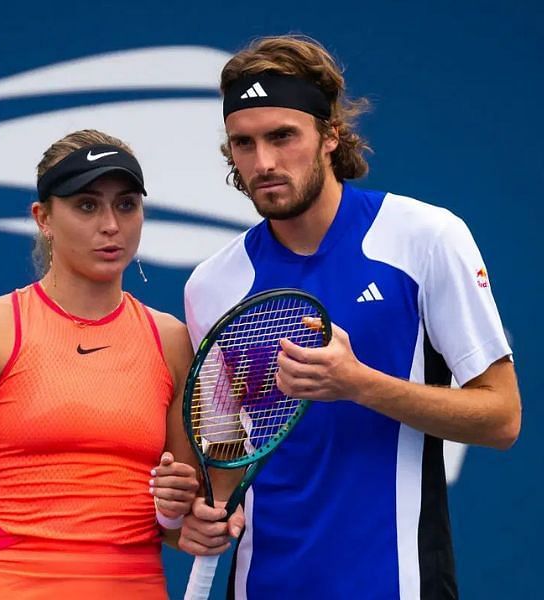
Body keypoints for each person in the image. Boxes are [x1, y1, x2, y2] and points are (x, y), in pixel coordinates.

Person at [180, 35, 521, 599]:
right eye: (244, 143)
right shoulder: (212, 286)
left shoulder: (426, 238)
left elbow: (501, 417)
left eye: (282, 136)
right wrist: (198, 513)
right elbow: (226, 468)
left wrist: (357, 384)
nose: (263, 162)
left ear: (330, 134)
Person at [0, 129, 201, 599]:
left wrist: (178, 508)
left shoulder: (172, 341)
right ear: (43, 218)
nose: (111, 224)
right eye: (87, 205)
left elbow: (176, 527)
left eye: (126, 205)